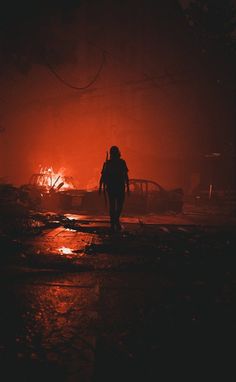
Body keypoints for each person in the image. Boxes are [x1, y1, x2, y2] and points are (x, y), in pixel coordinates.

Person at [99, 146, 129, 232]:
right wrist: (127, 186)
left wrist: (101, 187)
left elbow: (103, 177)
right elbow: (126, 176)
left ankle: (114, 222)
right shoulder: (120, 162)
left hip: (112, 188)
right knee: (118, 206)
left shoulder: (109, 163)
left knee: (113, 206)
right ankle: (115, 221)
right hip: (118, 187)